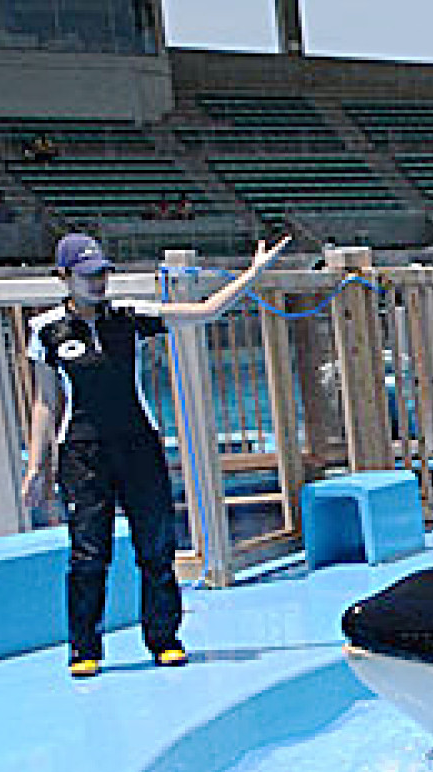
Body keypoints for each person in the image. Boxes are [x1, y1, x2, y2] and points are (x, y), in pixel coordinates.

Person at [21, 232, 286, 677]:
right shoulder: (45, 330)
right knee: (88, 554)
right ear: (64, 277)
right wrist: (36, 466)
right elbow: (46, 402)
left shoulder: (130, 317)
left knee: (157, 547)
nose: (98, 282)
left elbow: (205, 312)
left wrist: (254, 272)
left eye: (102, 273)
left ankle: (164, 638)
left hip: (139, 446)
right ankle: (84, 648)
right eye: (87, 276)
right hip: (82, 453)